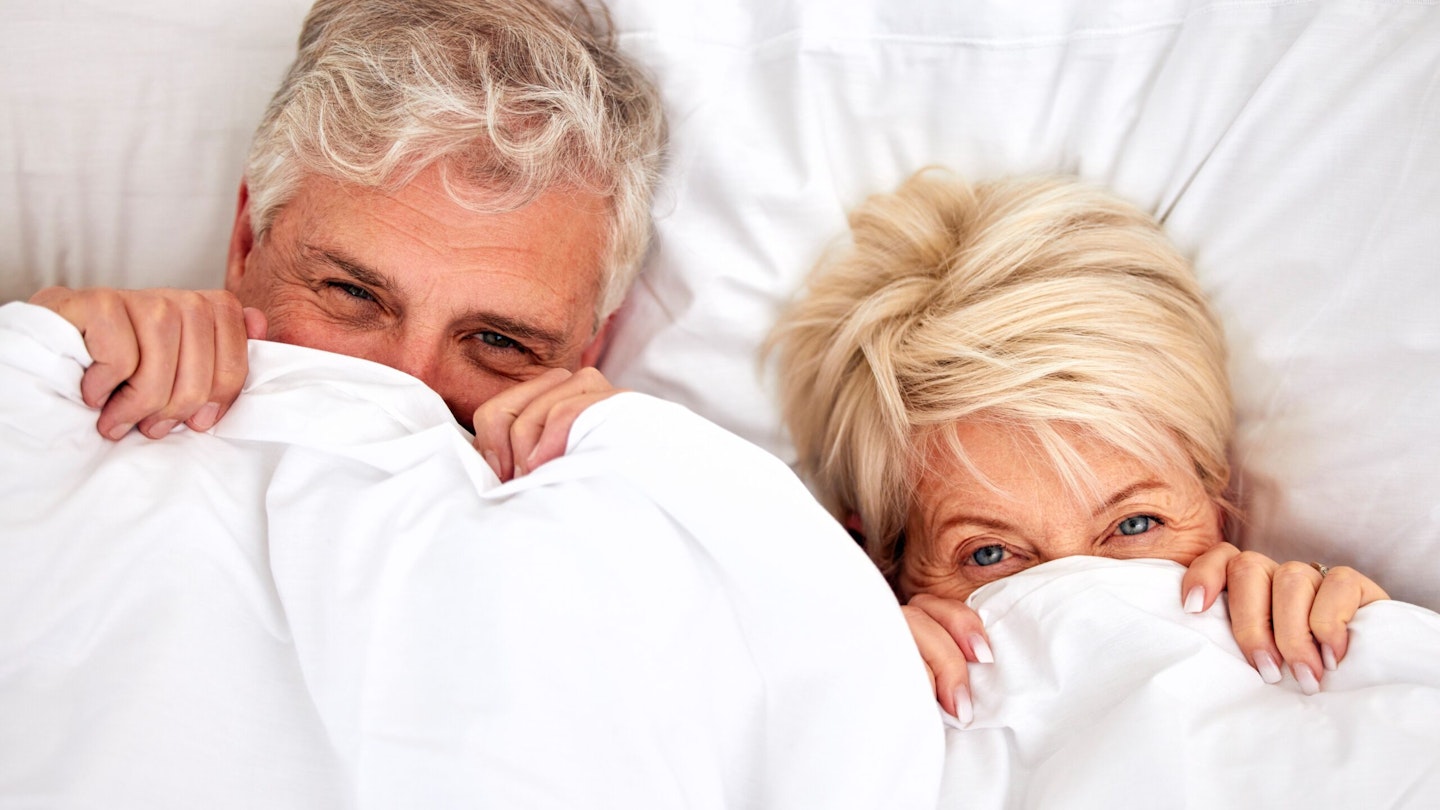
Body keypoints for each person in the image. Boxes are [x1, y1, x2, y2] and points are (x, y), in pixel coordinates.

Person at [768, 169, 1390, 724]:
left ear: (1218, 501)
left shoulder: (1326, 646)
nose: (1083, 595)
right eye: (988, 555)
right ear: (886, 568)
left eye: (1136, 523)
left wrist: (1373, 646)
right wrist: (833, 695)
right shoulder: (853, 701)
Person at [26, 0, 665, 482]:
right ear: (248, 242)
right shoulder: (73, 392)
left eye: (500, 341)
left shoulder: (644, 509)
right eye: (352, 292)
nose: (406, 386)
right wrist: (38, 377)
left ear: (591, 347)